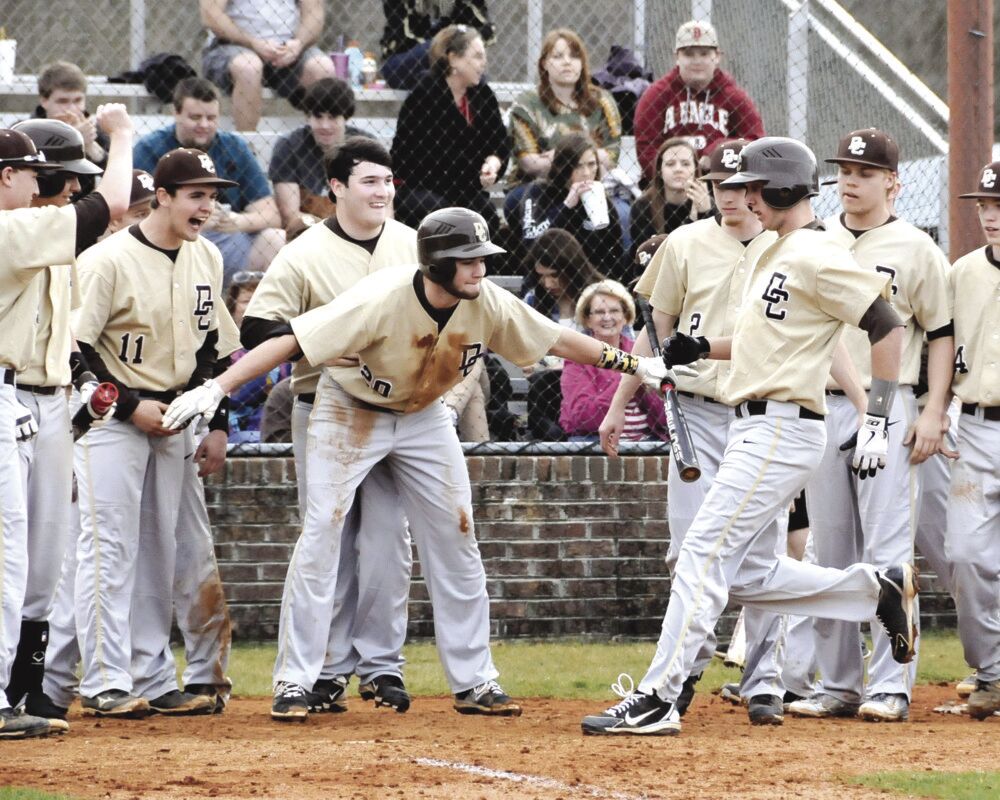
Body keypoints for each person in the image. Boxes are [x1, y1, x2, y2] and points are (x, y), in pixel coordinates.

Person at [160, 206, 676, 720]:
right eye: (468, 259)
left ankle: (475, 681)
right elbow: (293, 339)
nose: (480, 268)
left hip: (423, 414)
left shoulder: (487, 300)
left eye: (483, 258)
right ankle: (296, 680)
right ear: (435, 264)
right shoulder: (381, 297)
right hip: (351, 408)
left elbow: (557, 339)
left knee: (457, 533)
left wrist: (634, 364)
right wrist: (217, 387)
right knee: (322, 532)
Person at [581, 136, 918, 736]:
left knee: (701, 555)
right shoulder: (777, 252)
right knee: (748, 576)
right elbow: (768, 342)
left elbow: (885, 325)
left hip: (781, 427)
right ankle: (873, 592)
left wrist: (877, 420)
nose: (747, 198)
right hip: (754, 425)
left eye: (758, 188)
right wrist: (701, 347)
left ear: (786, 188)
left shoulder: (815, 251)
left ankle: (659, 696)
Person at [602, 142, 801, 724]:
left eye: (743, 186)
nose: (733, 196)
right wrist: (620, 403)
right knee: (687, 550)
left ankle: (764, 680)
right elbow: (653, 335)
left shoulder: (783, 247)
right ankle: (682, 675)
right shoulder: (685, 244)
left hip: (760, 413)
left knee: (762, 556)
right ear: (707, 189)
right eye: (722, 185)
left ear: (761, 189)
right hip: (693, 412)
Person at [242, 136, 417, 718]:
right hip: (323, 405)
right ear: (336, 187)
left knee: (390, 539)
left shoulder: (413, 243)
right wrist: (322, 342)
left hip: (400, 410)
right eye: (370, 181)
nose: (383, 191)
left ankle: (382, 665)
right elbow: (257, 328)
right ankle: (318, 670)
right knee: (328, 541)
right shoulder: (304, 251)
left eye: (389, 181)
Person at [783, 128, 953, 724]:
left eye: (864, 171)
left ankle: (891, 685)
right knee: (831, 552)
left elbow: (940, 333)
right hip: (823, 403)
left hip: (887, 404)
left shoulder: (916, 247)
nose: (850, 180)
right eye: (844, 170)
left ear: (892, 182)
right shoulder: (818, 237)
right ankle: (839, 684)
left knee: (886, 549)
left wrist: (932, 410)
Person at [71, 148, 237, 719]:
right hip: (110, 422)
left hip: (175, 420)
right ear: (162, 196)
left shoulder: (207, 257)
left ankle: (152, 676)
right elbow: (77, 351)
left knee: (160, 554)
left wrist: (214, 421)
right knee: (107, 550)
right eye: (196, 195)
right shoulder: (107, 259)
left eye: (212, 196)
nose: (207, 206)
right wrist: (130, 407)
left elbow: (212, 348)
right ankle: (103, 681)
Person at [0, 108, 132, 740]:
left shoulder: (44, 238)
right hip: (7, 396)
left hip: (44, 400)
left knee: (42, 560)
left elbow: (64, 335)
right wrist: (124, 135)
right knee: (8, 556)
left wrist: (82, 386)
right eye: (61, 177)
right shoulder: (14, 229)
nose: (75, 186)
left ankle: (24, 694)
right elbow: (111, 206)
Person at [133, 77, 284, 280]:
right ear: (175, 113)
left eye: (211, 118)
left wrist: (237, 221)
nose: (204, 125)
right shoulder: (150, 148)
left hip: (228, 239)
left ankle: (256, 309)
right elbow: (135, 212)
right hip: (173, 241)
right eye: (195, 117)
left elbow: (270, 213)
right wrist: (193, 219)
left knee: (275, 239)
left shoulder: (234, 147)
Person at [946, 162, 1000, 721]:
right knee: (965, 554)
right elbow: (941, 347)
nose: (990, 215)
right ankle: (992, 671)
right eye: (985, 205)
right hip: (978, 427)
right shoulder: (962, 272)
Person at [391, 25, 509, 231]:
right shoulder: (425, 93)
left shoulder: (483, 94)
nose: (484, 63)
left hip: (466, 189)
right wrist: (474, 172)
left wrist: (493, 163)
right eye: (478, 56)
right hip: (420, 188)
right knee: (442, 214)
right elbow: (413, 160)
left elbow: (499, 143)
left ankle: (477, 264)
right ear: (453, 58)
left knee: (486, 216)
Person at [634, 19, 763, 182]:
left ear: (717, 56)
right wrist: (670, 178)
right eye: (688, 54)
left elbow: (755, 142)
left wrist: (718, 149)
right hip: (666, 189)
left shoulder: (735, 97)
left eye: (704, 53)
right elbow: (646, 147)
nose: (697, 61)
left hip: (719, 186)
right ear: (677, 57)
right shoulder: (657, 95)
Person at [505, 29, 622, 205]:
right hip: (538, 189)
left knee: (623, 216)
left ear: (582, 63)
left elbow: (612, 155)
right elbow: (529, 163)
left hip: (592, 186)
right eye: (558, 56)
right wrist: (588, 156)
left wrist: (557, 156)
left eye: (574, 56)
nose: (567, 62)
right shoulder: (526, 105)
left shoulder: (602, 101)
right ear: (544, 63)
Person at [199, 0, 336, 131]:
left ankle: (320, 149)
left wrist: (298, 43)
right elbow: (211, 15)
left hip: (287, 48)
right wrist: (253, 43)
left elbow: (314, 14)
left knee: (323, 68)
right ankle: (247, 147)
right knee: (249, 68)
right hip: (232, 45)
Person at [507, 133, 626, 281]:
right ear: (563, 167)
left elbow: (615, 251)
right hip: (548, 277)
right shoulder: (538, 192)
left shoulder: (599, 197)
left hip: (591, 281)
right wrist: (567, 206)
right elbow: (531, 242)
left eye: (591, 164)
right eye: (578, 166)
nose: (587, 173)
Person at [560, 280, 665, 441]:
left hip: (648, 440)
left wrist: (644, 385)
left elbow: (664, 417)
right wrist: (628, 375)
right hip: (595, 443)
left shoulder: (642, 351)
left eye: (615, 310)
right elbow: (582, 418)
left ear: (625, 316)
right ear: (587, 319)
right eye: (600, 312)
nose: (607, 317)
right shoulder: (577, 357)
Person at [269, 78, 370, 229]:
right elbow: (291, 216)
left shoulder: (365, 147)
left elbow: (382, 209)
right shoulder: (288, 146)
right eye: (318, 116)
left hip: (358, 232)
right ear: (308, 116)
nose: (325, 125)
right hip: (307, 235)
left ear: (345, 117)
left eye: (333, 117)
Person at [226, 271, 292, 443]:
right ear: (232, 308)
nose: (254, 307)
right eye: (247, 301)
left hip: (277, 427)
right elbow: (238, 395)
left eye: (260, 300)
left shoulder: (288, 344)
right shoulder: (225, 348)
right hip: (233, 429)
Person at [32, 61, 109, 197]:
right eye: (63, 101)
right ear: (44, 101)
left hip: (84, 208)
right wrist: (72, 143)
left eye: (78, 100)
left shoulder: (96, 131)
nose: (72, 109)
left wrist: (91, 147)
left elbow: (116, 177)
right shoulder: (26, 132)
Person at [629, 137, 714, 260]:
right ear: (660, 170)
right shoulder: (642, 206)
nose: (678, 169)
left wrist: (706, 213)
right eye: (670, 164)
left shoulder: (709, 203)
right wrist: (691, 220)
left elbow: (712, 250)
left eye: (685, 163)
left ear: (695, 169)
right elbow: (650, 256)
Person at [380, 0, 494, 90]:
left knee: (431, 79)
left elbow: (486, 33)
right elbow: (403, 36)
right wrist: (446, 43)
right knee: (434, 53)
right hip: (403, 63)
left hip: (449, 64)